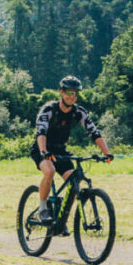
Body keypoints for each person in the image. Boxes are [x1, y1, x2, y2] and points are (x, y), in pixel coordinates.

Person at [30, 76, 111, 225]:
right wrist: (43, 151)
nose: (72, 96)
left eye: (75, 93)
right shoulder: (48, 109)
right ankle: (43, 208)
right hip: (42, 149)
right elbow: (40, 132)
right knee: (49, 171)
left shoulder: (78, 112)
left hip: (61, 151)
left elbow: (94, 132)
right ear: (61, 92)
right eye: (69, 92)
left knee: (74, 187)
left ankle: (61, 222)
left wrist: (106, 153)